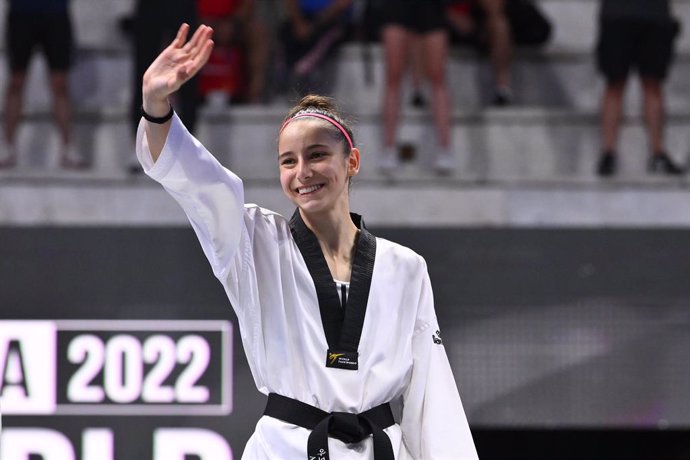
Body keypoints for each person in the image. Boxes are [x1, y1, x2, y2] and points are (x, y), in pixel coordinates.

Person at [137, 23, 479, 459]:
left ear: (351, 160)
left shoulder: (405, 267)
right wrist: (156, 106)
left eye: (317, 155)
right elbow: (202, 186)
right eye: (288, 161)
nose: (303, 173)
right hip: (286, 448)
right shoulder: (252, 242)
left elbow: (432, 398)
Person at [595, 0, 684, 177]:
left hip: (654, 15)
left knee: (653, 84)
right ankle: (608, 152)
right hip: (617, 14)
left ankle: (657, 152)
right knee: (615, 83)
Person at [0, 0, 86, 169]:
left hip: (56, 13)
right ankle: (7, 146)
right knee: (16, 80)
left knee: (60, 82)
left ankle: (69, 148)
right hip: (21, 13)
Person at [379, 0, 455, 175]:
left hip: (430, 7)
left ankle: (445, 149)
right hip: (398, 8)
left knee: (437, 75)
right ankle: (388, 148)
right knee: (393, 75)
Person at [197, 0, 270, 104]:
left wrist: (231, 21)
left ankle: (255, 93)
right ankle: (174, 92)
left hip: (233, 22)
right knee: (176, 31)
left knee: (258, 31)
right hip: (198, 22)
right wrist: (204, 22)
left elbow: (247, 5)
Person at [280, 0, 354, 97]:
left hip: (332, 19)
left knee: (324, 35)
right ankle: (285, 75)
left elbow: (343, 4)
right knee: (286, 32)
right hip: (303, 19)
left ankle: (303, 70)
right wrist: (298, 22)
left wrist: (315, 24)